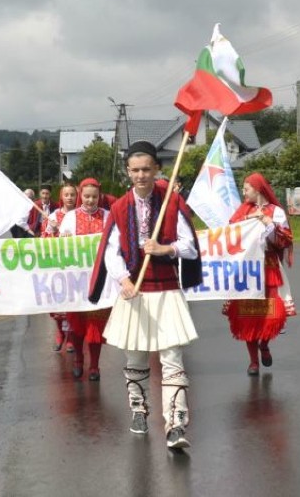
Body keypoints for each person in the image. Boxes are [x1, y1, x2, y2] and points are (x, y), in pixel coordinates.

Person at [89, 141, 203, 450]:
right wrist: (123, 280)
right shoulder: (119, 207)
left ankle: (176, 424)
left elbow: (190, 245)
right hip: (134, 292)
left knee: (172, 358)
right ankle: (139, 410)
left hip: (165, 287)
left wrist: (166, 248)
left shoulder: (171, 202)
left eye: (146, 169)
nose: (141, 175)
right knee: (136, 356)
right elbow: (111, 253)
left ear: (157, 170)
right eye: (135, 170)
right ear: (128, 172)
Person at [222, 173, 294, 376]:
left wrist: (265, 221)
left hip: (268, 267)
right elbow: (230, 235)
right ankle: (253, 361)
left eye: (246, 188)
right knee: (247, 316)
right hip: (246, 270)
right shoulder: (242, 211)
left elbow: (283, 240)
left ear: (258, 189)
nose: (244, 192)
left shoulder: (276, 212)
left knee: (271, 315)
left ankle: (264, 344)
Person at [58, 178, 110, 380]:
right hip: (76, 281)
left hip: (99, 282)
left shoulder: (107, 216)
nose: (90, 200)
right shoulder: (70, 218)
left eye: (94, 197)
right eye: (87, 196)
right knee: (77, 325)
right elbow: (61, 249)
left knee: (96, 325)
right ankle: (79, 360)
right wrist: (63, 240)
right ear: (81, 195)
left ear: (100, 196)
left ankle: (95, 366)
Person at [43, 184, 78, 352]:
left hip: (75, 265)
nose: (70, 197)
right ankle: (59, 332)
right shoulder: (53, 216)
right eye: (67, 194)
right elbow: (43, 240)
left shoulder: (80, 215)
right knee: (58, 301)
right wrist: (52, 231)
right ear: (61, 197)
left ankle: (71, 336)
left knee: (72, 301)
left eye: (72, 194)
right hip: (58, 265)